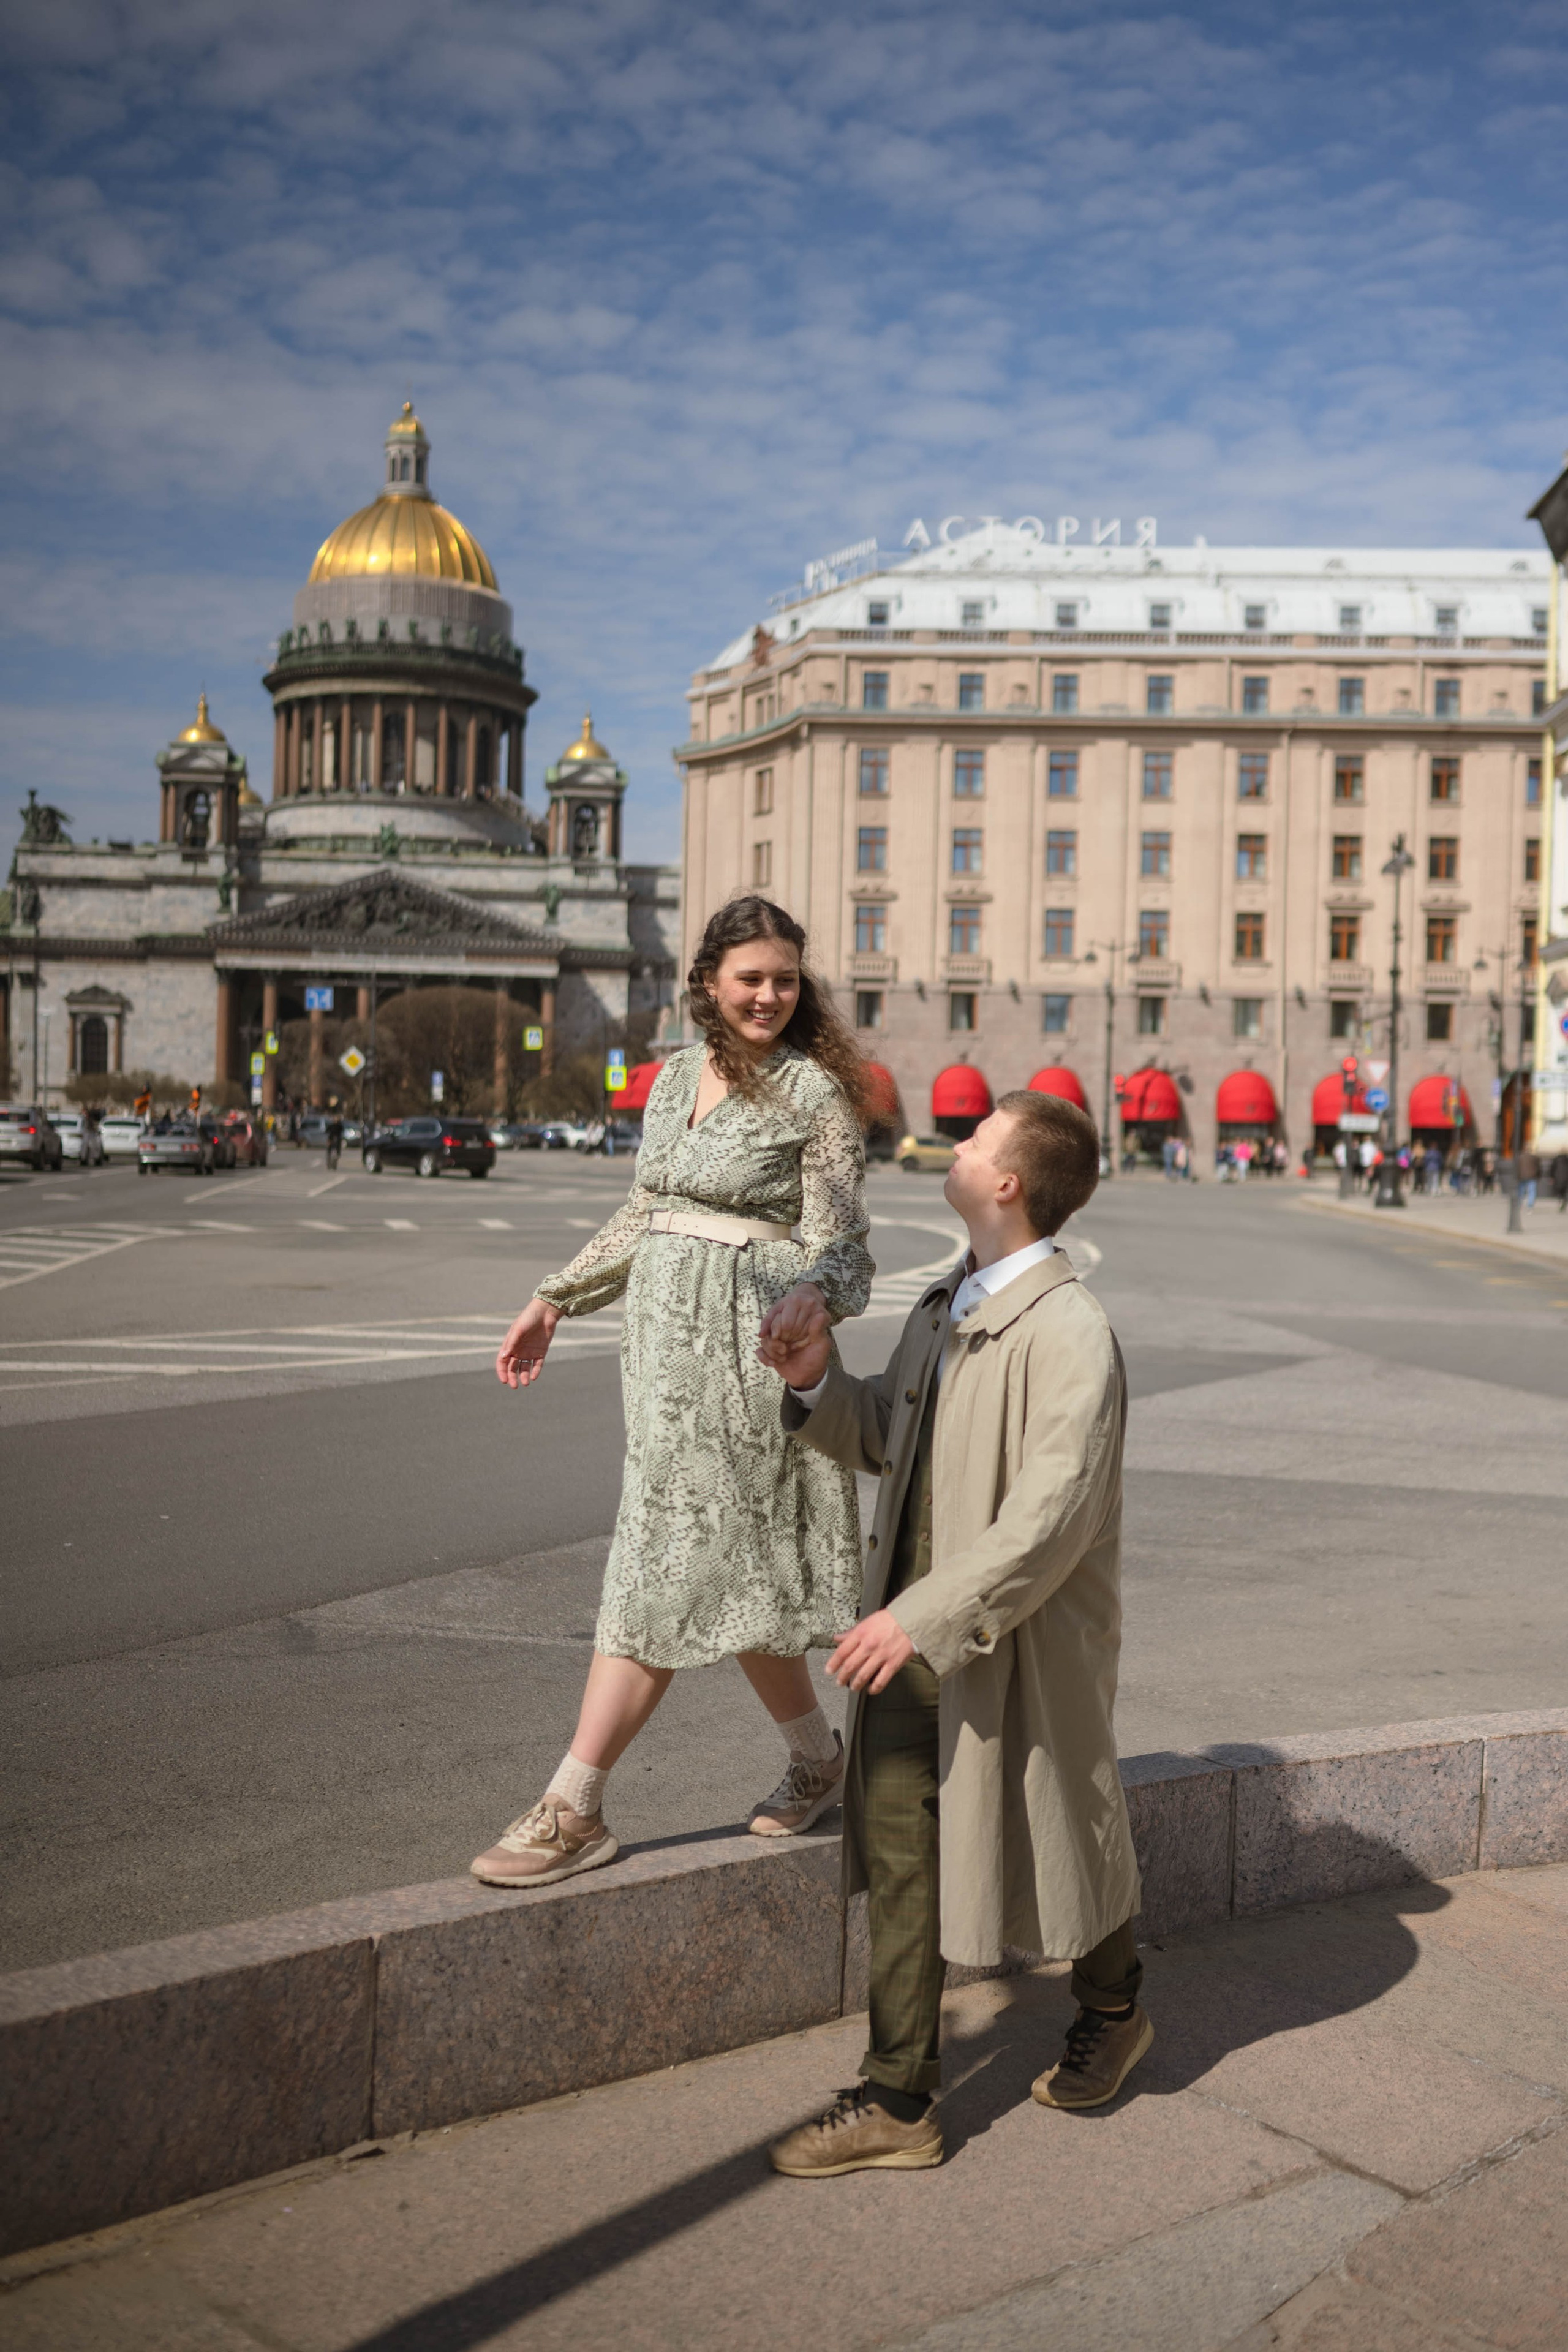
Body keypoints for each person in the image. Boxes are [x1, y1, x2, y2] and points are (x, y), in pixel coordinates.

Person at [761, 1091, 1144, 2178]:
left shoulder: (1073, 1332)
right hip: (913, 1633)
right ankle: (899, 2098)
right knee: (895, 1847)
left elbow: (1051, 1519)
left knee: (1058, 1814)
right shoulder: (948, 1304)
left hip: (1010, 1639)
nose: (960, 1141)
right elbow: (890, 1429)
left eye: (977, 1139)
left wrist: (921, 1617)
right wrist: (815, 1383)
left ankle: (1115, 2007)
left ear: (1011, 1183)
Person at [470, 896, 875, 1889]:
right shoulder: (675, 1077)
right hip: (659, 1354)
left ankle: (575, 1803)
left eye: (785, 978)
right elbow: (648, 1208)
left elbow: (847, 1249)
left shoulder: (816, 1096)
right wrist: (555, 1297)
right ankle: (823, 1763)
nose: (770, 996)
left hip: (750, 1353)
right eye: (751, 979)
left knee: (663, 1562)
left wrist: (813, 1296)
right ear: (706, 984)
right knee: (727, 1575)